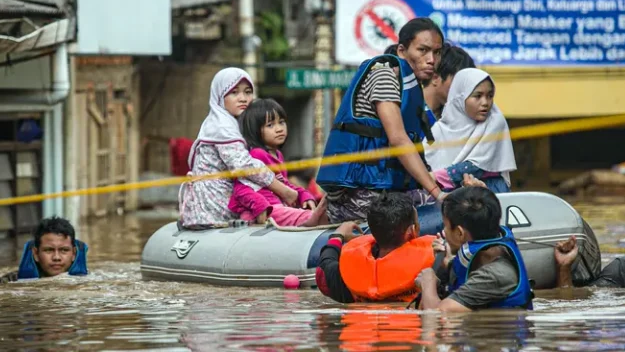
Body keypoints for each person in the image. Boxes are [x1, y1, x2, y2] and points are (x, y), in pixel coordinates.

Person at [316, 17, 445, 223]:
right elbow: (398, 139)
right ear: (402, 51)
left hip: (386, 190)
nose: (431, 59)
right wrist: (437, 193)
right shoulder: (384, 76)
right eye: (423, 50)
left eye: (437, 52)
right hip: (362, 195)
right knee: (445, 209)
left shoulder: (409, 85)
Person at [179, 67, 300, 229]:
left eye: (248, 92)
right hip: (213, 206)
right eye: (234, 93)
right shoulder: (222, 126)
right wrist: (283, 191)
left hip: (231, 200)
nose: (243, 98)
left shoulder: (232, 123)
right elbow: (244, 166)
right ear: (220, 95)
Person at [415, 184, 533, 311]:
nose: (443, 232)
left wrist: (428, 282)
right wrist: (444, 267)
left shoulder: (494, 275)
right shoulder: (480, 256)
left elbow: (435, 314)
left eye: (446, 226)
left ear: (460, 233)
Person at [315, 192, 436, 303]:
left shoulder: (344, 275)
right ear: (411, 231)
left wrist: (337, 235)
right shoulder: (433, 266)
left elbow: (322, 271)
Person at [228, 98, 329, 227]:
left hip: (278, 208)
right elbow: (240, 187)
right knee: (309, 216)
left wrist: (304, 195)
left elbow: (284, 183)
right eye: (270, 125)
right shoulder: (257, 155)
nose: (279, 129)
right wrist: (260, 206)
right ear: (255, 130)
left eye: (281, 122)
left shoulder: (278, 155)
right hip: (264, 211)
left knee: (305, 213)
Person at [423, 68, 516, 193]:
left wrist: (432, 177)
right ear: (460, 97)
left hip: (490, 192)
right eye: (478, 96)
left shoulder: (494, 121)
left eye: (490, 96)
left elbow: (477, 167)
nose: (485, 102)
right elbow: (422, 162)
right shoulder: (439, 129)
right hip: (445, 196)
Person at [0, 216, 89, 283]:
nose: (56, 257)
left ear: (74, 254)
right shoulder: (11, 281)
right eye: (49, 250)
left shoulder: (87, 281)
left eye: (64, 250)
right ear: (36, 254)